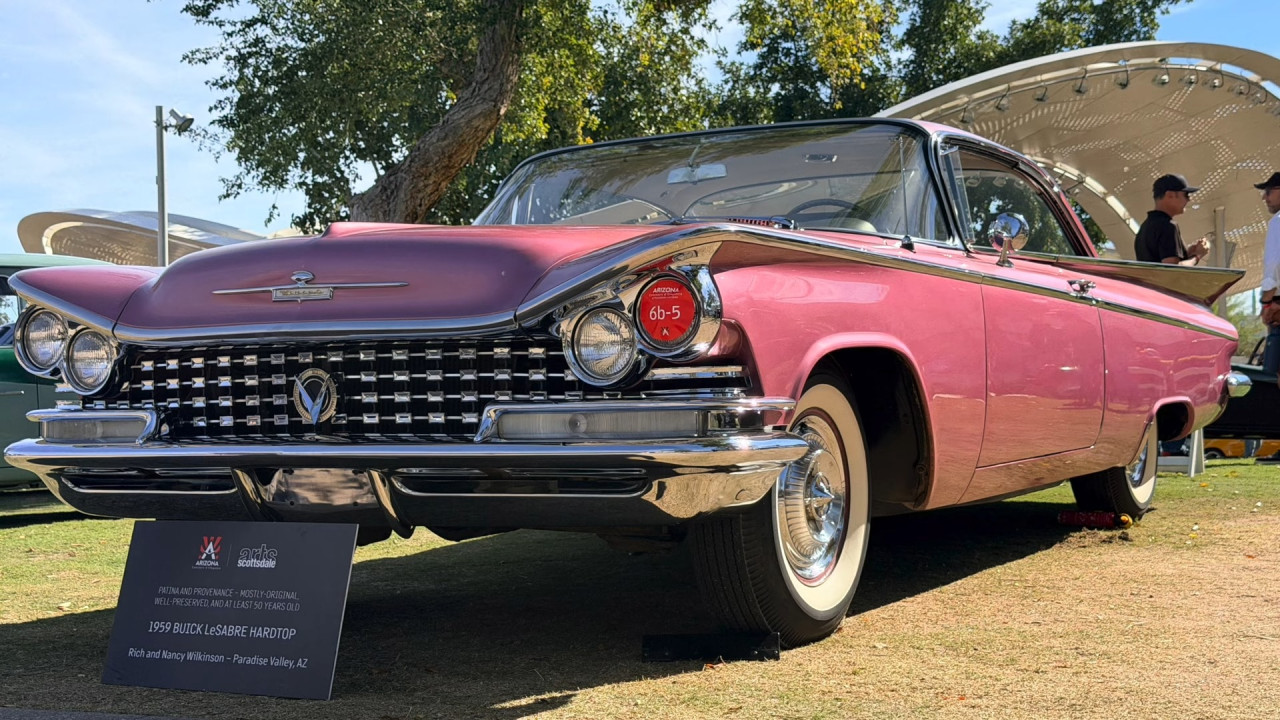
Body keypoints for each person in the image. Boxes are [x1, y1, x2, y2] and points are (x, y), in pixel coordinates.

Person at [1134, 174, 1211, 265]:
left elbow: (1158, 263)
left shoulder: (1145, 227)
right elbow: (1172, 270)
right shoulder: (1168, 226)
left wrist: (1186, 253)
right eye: (1186, 195)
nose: (1188, 200)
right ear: (1170, 195)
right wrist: (1197, 256)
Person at [1255, 172, 1280, 381]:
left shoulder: (1278, 221)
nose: (1265, 197)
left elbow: (1273, 265)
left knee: (1274, 374)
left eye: (1269, 191)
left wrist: (1267, 304)